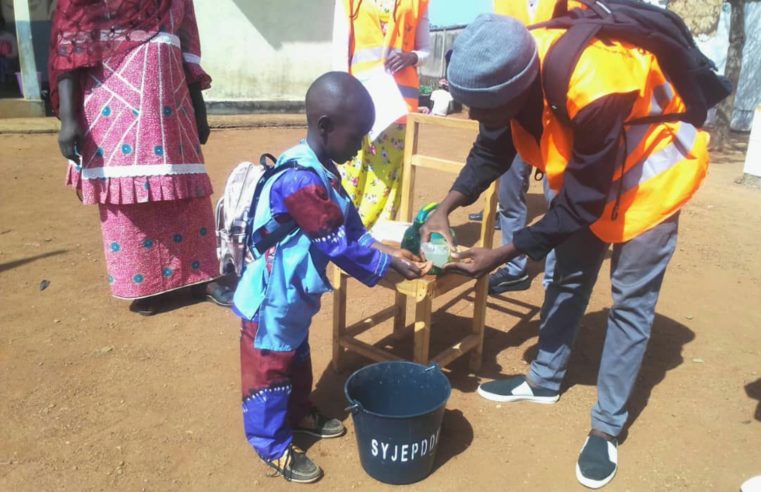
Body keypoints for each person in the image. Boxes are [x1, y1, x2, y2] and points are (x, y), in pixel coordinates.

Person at [421, 14, 709, 489]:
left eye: (480, 108)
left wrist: (504, 254)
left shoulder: (593, 83)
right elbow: (491, 149)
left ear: (514, 93)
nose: (473, 116)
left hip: (651, 175)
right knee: (569, 275)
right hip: (591, 172)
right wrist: (445, 208)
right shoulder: (509, 71)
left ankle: (606, 428)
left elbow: (581, 204)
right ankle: (544, 380)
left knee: (631, 303)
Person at [232, 71, 426, 483]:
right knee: (269, 369)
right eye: (357, 137)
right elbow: (334, 242)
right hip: (272, 299)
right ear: (325, 126)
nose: (361, 147)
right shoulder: (300, 180)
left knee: (297, 358)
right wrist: (384, 266)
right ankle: (271, 445)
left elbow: (352, 228)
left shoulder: (327, 171)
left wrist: (388, 251)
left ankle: (299, 412)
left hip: (295, 297)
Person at [49, 0, 233, 315]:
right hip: (113, 112)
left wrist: (199, 110)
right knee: (128, 205)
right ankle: (146, 286)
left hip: (171, 104)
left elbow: (187, 48)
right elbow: (70, 47)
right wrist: (68, 119)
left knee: (187, 196)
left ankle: (204, 278)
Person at [480, 0, 560, 295]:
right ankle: (515, 268)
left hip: (557, 113)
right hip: (514, 111)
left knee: (558, 201)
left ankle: (555, 278)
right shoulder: (503, 3)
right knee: (511, 196)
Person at [332, 0, 431, 229]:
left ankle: (373, 246)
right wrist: (340, 96)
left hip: (398, 106)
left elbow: (425, 50)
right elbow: (339, 48)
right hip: (358, 99)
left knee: (388, 179)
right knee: (351, 171)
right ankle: (347, 238)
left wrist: (412, 57)